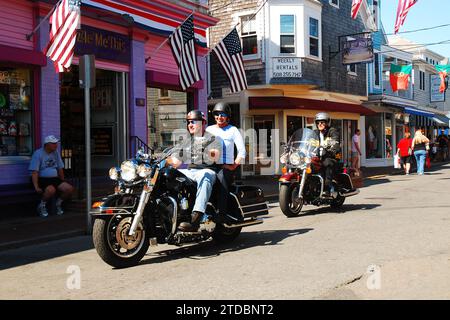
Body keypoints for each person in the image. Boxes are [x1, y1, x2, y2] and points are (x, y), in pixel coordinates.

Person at [168, 110, 220, 232]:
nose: (190, 124)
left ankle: (196, 217)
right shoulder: (187, 141)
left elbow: (215, 156)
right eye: (188, 122)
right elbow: (176, 162)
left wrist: (204, 151)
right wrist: (163, 159)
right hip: (190, 172)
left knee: (205, 175)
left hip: (207, 170)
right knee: (169, 175)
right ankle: (173, 210)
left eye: (193, 122)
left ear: (203, 123)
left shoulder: (212, 139)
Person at [206, 102, 246, 221]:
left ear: (227, 116)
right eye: (217, 114)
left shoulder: (233, 130)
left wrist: (233, 166)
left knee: (222, 180)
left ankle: (222, 214)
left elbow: (242, 151)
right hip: (209, 164)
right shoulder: (209, 129)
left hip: (225, 166)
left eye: (222, 114)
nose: (219, 117)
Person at [29, 135, 74, 217]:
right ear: (47, 144)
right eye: (53, 144)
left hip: (54, 178)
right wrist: (36, 187)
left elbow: (60, 168)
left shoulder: (55, 153)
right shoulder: (38, 153)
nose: (56, 145)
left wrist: (62, 180)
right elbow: (34, 172)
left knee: (69, 189)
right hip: (41, 178)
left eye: (56, 143)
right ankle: (41, 205)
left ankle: (58, 204)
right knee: (51, 190)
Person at [313, 112, 340, 196]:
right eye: (318, 122)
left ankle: (327, 187)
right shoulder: (314, 133)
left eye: (322, 122)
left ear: (327, 122)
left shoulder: (332, 131)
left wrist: (330, 150)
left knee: (327, 163)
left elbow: (335, 142)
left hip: (331, 156)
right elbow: (308, 143)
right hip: (317, 157)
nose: (320, 124)